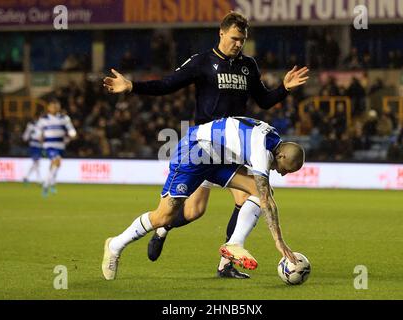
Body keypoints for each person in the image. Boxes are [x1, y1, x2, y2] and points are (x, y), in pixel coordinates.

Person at [103, 11, 309, 279]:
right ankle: (128, 240)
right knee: (185, 212)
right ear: (221, 33)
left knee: (254, 194)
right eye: (234, 38)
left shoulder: (248, 66)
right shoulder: (202, 62)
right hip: (201, 147)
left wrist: (284, 88)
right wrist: (132, 87)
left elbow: (264, 101)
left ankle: (229, 257)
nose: (238, 44)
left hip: (232, 148)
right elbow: (167, 85)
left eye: (243, 40)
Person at [102, 116, 305, 280]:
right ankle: (115, 245)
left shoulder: (274, 138)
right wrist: (278, 241)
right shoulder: (262, 151)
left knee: (260, 192)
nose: (283, 174)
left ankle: (234, 244)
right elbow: (267, 202)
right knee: (163, 216)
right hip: (194, 152)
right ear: (282, 157)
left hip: (218, 157)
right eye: (286, 170)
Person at [36, 99, 77, 197]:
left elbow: (71, 129)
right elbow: (38, 132)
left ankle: (51, 183)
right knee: (56, 161)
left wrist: (73, 134)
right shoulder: (43, 119)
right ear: (49, 108)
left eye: (56, 106)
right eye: (52, 106)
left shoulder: (64, 118)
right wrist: (39, 138)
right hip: (49, 146)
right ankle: (46, 185)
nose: (54, 108)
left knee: (55, 165)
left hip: (60, 146)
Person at [22, 114, 43, 184]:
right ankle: (38, 179)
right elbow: (26, 135)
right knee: (36, 162)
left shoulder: (42, 125)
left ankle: (26, 177)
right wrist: (25, 137)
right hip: (34, 145)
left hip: (39, 146)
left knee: (36, 162)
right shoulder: (31, 125)